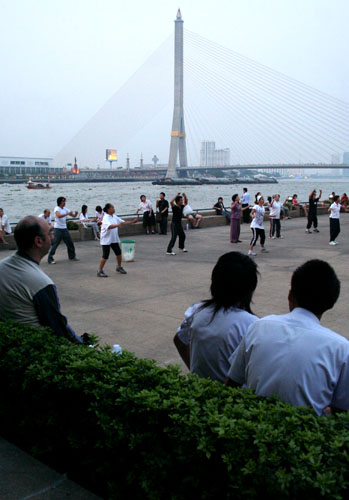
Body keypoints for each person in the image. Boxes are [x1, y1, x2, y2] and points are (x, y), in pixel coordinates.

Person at [226, 260, 349, 416]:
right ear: (331, 302)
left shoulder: (259, 326)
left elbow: (232, 383)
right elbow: (341, 410)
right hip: (305, 434)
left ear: (290, 295)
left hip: (253, 428)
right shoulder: (341, 348)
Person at [173, 252, 259, 382]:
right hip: (231, 398)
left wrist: (195, 372)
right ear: (250, 289)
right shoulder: (252, 325)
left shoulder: (197, 311)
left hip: (200, 389)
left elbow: (179, 340)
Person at [0, 216, 83, 344]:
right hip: (34, 348)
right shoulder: (40, 283)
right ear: (38, 241)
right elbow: (58, 328)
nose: (53, 237)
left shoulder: (2, 267)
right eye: (49, 233)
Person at [97, 203, 138, 277]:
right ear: (108, 209)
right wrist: (118, 225)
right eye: (112, 208)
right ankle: (100, 270)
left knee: (118, 253)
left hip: (113, 239)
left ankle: (119, 267)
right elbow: (109, 226)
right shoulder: (106, 217)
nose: (114, 209)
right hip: (106, 240)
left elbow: (122, 222)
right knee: (105, 255)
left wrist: (131, 222)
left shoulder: (114, 216)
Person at [47, 197, 79, 264]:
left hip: (64, 229)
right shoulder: (57, 208)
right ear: (60, 202)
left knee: (70, 242)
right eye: (63, 201)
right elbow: (58, 216)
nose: (64, 203)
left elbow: (73, 215)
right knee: (55, 243)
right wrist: (67, 214)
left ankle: (72, 256)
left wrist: (75, 213)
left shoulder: (65, 209)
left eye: (65, 201)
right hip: (58, 229)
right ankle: (50, 258)